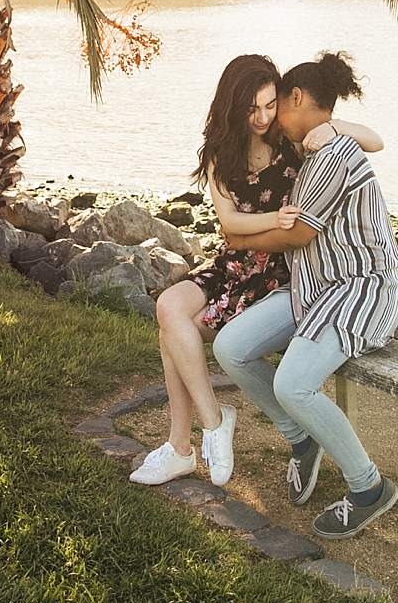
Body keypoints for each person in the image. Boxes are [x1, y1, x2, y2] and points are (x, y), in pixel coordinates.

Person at [130, 55, 383, 488]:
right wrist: (276, 218)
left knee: (174, 332)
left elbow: (374, 141)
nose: (265, 117)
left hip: (284, 271)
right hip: (239, 262)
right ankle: (212, 423)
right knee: (170, 309)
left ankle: (180, 448)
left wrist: (335, 127)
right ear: (233, 105)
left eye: (271, 104)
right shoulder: (220, 154)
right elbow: (230, 228)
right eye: (254, 109)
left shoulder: (292, 139)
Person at [211, 51, 398, 539]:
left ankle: (368, 487)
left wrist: (239, 239)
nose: (273, 119)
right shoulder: (317, 148)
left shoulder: (333, 157)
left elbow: (297, 235)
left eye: (280, 106)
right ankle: (301, 439)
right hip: (313, 289)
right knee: (230, 348)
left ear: (296, 98)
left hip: (359, 290)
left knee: (291, 386)